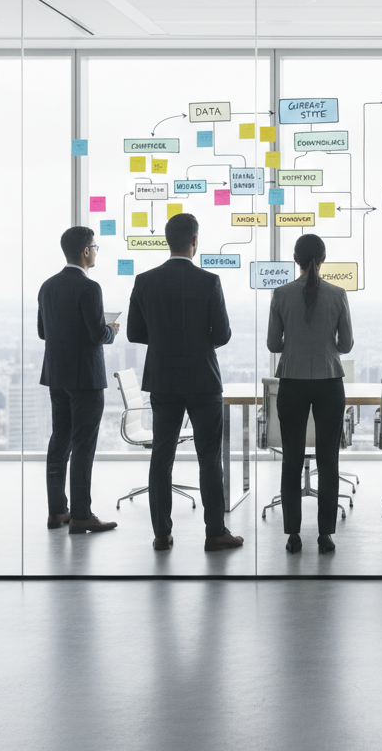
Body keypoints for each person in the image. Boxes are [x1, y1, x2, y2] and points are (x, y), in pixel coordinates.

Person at [126, 213, 242, 552]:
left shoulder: (145, 280)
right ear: (194, 241)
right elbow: (221, 334)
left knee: (162, 456)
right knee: (208, 457)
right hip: (203, 379)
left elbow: (134, 333)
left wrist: (163, 341)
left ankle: (161, 534)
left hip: (162, 378)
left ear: (168, 241)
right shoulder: (209, 281)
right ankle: (215, 532)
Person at [266, 234, 353, 554]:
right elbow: (345, 345)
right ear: (324, 258)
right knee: (329, 460)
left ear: (296, 259)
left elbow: (274, 345)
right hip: (330, 381)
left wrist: (297, 343)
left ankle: (293, 535)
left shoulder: (280, 294)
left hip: (292, 380)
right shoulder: (338, 294)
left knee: (292, 458)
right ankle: (325, 535)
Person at [37, 226, 120, 534]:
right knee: (83, 446)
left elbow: (43, 332)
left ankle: (58, 512)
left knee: (60, 441)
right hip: (86, 377)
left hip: (57, 376)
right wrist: (112, 329)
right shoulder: (90, 288)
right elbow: (98, 334)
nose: (96, 251)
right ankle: (82, 515)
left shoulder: (47, 286)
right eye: (95, 247)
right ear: (86, 251)